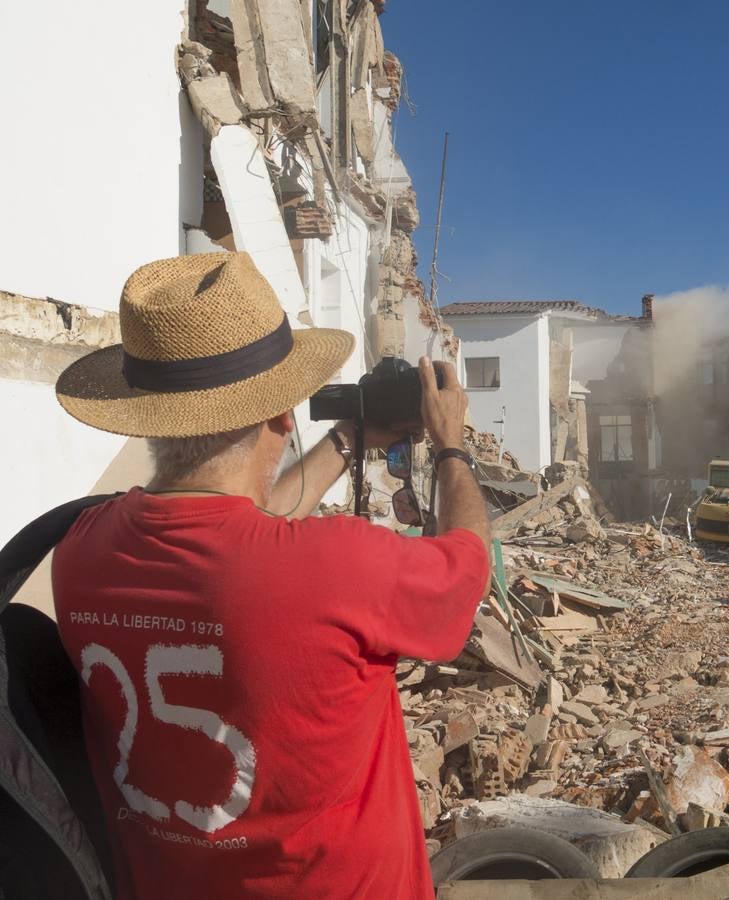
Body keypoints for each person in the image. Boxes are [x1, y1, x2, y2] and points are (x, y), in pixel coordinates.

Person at [51, 252, 490, 900]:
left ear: (150, 417)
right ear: (284, 416)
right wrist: (450, 444)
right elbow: (467, 562)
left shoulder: (79, 554)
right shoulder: (340, 569)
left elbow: (239, 542)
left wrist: (345, 440)